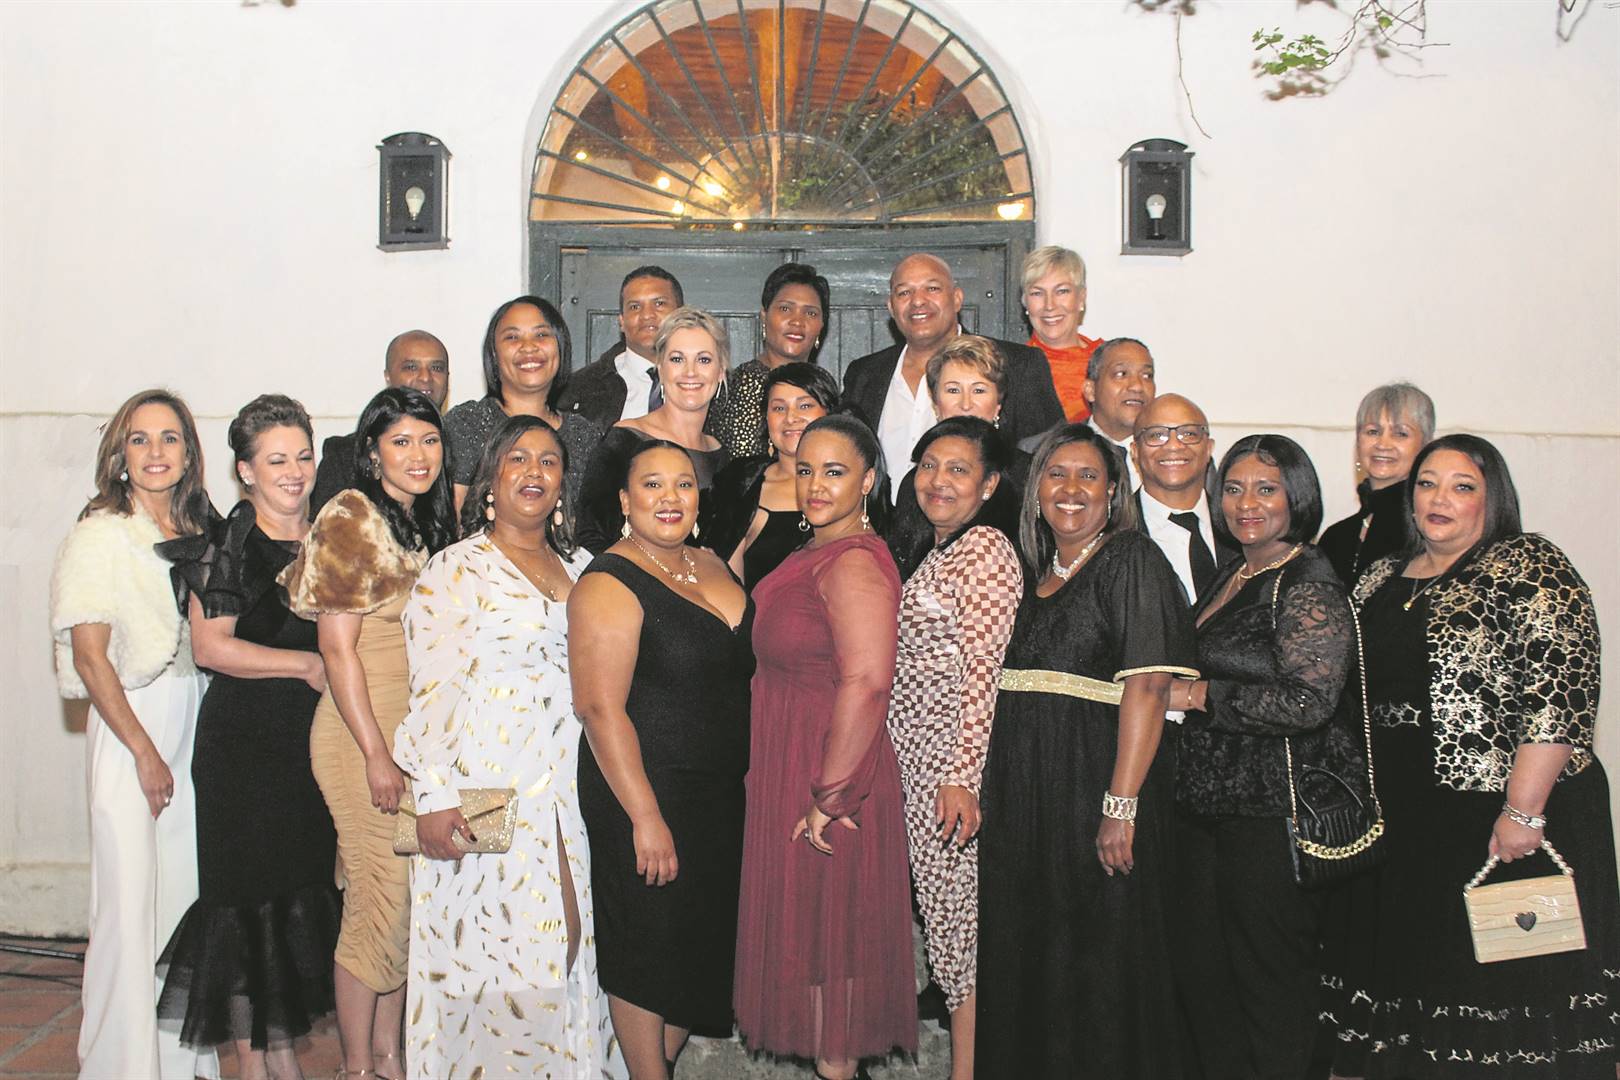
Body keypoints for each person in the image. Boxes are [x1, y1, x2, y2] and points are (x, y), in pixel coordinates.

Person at [1342, 434, 1617, 1077]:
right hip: (1410, 815)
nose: (1439, 498)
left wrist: (1523, 811)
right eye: (1426, 483)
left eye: (1461, 486)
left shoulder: (1528, 563)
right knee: (1427, 975)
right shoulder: (1382, 574)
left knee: (1509, 976)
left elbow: (1558, 689)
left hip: (1501, 813)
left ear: (1493, 499)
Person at [393, 416, 621, 1079]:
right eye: (518, 458)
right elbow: (431, 691)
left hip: (572, 791)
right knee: (492, 965)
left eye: (549, 461)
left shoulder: (583, 569)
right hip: (482, 789)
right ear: (491, 478)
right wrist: (433, 796)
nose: (534, 472)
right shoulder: (455, 568)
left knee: (571, 950)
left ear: (563, 484)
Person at [976, 424, 1196, 1079]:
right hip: (1027, 808)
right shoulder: (1034, 575)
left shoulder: (1131, 560)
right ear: (1036, 490)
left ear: (1113, 492)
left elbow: (1150, 687)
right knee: (1038, 959)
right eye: (1056, 474)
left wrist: (1120, 806)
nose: (1071, 489)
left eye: (1088, 476)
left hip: (1091, 796)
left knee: (1100, 959)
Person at [155, 395, 341, 1079]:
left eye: (303, 456)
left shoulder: (333, 539)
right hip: (243, 753)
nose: (294, 472)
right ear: (245, 471)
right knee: (245, 911)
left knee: (294, 905)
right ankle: (255, 1068)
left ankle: (284, 1058)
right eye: (276, 460)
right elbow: (211, 647)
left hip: (311, 752)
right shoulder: (226, 545)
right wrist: (304, 665)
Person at [1167, 434, 1360, 1079]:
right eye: (1234, 488)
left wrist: (1201, 694)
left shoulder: (1306, 581)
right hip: (1209, 810)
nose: (1246, 503)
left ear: (1296, 496)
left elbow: (1310, 701)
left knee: (1269, 985)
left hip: (1270, 817)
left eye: (1266, 489)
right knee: (1209, 978)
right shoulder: (1238, 571)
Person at [278, 386, 457, 1080]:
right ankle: (357, 1066)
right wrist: (377, 753)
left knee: (404, 904)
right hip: (361, 736)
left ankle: (389, 1055)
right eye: (401, 442)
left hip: (409, 739)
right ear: (373, 452)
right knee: (377, 903)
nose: (418, 455)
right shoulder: (350, 515)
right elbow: (337, 649)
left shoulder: (421, 521)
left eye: (429, 440)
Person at [735, 414, 917, 1080]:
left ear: (868, 481)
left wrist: (832, 794)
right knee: (812, 957)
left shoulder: (855, 559)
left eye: (834, 472)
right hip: (795, 763)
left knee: (834, 960)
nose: (814, 485)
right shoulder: (815, 548)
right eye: (805, 470)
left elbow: (868, 682)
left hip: (829, 774)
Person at [569, 441, 753, 1080]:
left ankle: (660, 1069)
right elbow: (598, 708)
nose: (670, 497)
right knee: (648, 948)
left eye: (683, 484)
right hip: (644, 791)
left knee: (697, 947)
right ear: (625, 501)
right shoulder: (607, 581)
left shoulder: (713, 563)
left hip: (718, 796)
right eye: (652, 484)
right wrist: (645, 817)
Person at [49, 388, 218, 1080]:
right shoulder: (100, 533)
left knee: (180, 903)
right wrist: (144, 752)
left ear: (188, 453)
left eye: (169, 437)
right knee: (127, 904)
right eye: (140, 439)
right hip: (131, 724)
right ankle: (121, 1066)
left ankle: (177, 1062)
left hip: (191, 713)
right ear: (120, 454)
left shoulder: (197, 529)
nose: (155, 452)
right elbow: (91, 658)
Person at [886, 416, 1023, 1080]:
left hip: (946, 766)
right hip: (914, 764)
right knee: (944, 930)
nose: (938, 481)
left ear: (990, 484)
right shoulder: (937, 550)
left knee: (956, 935)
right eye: (929, 465)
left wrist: (961, 776)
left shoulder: (986, 549)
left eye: (959, 469)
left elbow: (982, 671)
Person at [841, 252, 1062, 487]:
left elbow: (1051, 460)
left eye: (932, 288)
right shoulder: (864, 373)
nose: (918, 301)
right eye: (904, 292)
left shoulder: (1017, 364)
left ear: (957, 299)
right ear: (891, 307)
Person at [575, 307, 731, 554]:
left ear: (721, 371)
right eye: (677, 359)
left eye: (704, 360)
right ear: (660, 368)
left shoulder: (722, 457)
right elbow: (590, 534)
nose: (690, 372)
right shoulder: (624, 440)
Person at [885, 336, 1026, 578]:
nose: (965, 404)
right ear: (935, 403)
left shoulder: (1028, 475)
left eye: (979, 390)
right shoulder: (917, 482)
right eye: (953, 390)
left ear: (998, 404)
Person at [442, 296, 598, 514]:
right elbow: (450, 520)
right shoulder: (467, 424)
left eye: (541, 335)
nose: (528, 347)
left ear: (560, 347)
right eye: (512, 337)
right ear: (494, 354)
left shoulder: (584, 435)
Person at [702, 362, 838, 590]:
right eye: (779, 408)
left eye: (804, 406)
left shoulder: (851, 484)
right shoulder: (740, 481)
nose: (791, 417)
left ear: (829, 412)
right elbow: (721, 578)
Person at [311, 330, 450, 517]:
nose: (425, 377)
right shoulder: (343, 456)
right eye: (411, 367)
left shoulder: (458, 449)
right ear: (388, 376)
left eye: (437, 368)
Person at [1317, 381, 1436, 588]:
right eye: (1373, 431)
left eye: (1400, 433)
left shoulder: (1428, 529)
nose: (1383, 444)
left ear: (1425, 445)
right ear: (1358, 442)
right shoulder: (1336, 536)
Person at [706, 263, 829, 458]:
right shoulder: (738, 387)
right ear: (764, 316)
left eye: (810, 313)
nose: (797, 321)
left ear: (821, 325)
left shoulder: (824, 389)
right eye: (785, 308)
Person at [1130, 393, 1237, 606]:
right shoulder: (1111, 531)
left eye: (1188, 434)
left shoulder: (1240, 526)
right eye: (1156, 435)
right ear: (1135, 451)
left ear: (1209, 448)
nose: (1173, 445)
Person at [558, 266, 684, 430]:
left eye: (659, 304)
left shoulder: (708, 384)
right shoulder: (579, 390)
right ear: (622, 322)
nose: (647, 315)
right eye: (635, 307)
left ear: (681, 315)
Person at [1020, 244, 1099, 422]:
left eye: (1062, 291)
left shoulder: (1109, 362)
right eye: (1037, 293)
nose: (1049, 305)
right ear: (1025, 302)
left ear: (1081, 297)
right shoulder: (1010, 368)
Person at [1076, 336, 1157, 490]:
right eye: (1121, 374)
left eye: (1147, 376)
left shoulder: (1175, 454)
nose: (1137, 387)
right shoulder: (1055, 450)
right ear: (1090, 390)